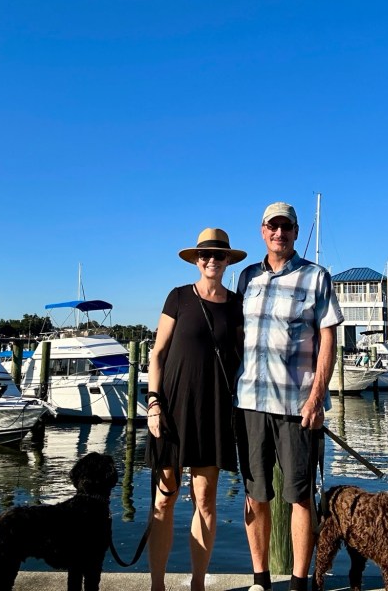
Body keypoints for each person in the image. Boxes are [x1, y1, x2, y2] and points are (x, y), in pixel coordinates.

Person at [235, 202, 344, 591]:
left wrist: (317, 397)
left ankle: (298, 582)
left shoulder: (316, 277)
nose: (279, 232)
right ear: (262, 230)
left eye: (286, 226)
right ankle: (260, 579)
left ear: (296, 232)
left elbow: (328, 338)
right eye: (272, 226)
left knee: (299, 496)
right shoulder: (246, 277)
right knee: (255, 494)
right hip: (249, 402)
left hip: (297, 406)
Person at [145, 227, 247, 591]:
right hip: (171, 408)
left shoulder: (237, 304)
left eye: (218, 255)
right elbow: (157, 354)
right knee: (164, 498)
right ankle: (157, 585)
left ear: (227, 260)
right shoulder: (178, 297)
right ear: (196, 260)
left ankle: (198, 585)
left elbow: (245, 356)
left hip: (214, 411)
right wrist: (153, 402)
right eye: (205, 255)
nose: (211, 260)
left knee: (205, 501)